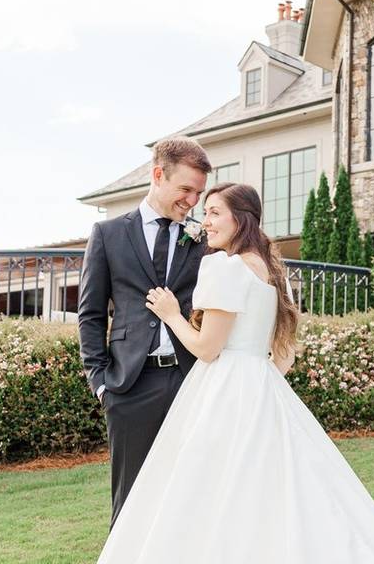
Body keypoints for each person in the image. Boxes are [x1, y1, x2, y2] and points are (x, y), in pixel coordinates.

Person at [96, 182, 374, 563]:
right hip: (262, 386)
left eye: (215, 212)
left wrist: (171, 315)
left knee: (208, 489)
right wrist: (256, 384)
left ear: (241, 219)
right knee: (271, 488)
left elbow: (206, 348)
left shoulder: (225, 268)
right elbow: (284, 358)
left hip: (223, 387)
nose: (206, 222)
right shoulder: (270, 272)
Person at [78, 137, 212, 528]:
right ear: (158, 175)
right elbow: (90, 313)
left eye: (199, 193)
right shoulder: (107, 234)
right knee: (131, 503)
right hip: (129, 386)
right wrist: (101, 382)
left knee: (192, 496)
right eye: (185, 189)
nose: (192, 201)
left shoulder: (202, 240)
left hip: (192, 380)